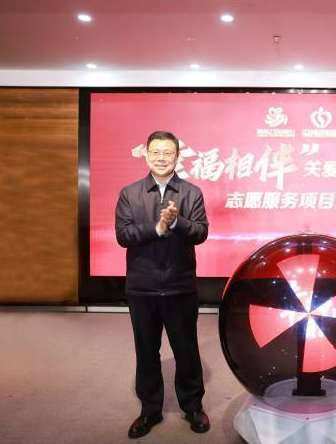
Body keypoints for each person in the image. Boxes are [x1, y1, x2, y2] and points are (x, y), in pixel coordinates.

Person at [115, 131, 210, 439]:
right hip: (141, 287)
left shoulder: (191, 193)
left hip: (180, 286)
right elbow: (123, 236)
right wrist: (157, 227)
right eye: (155, 152)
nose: (161, 158)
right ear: (145, 154)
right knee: (146, 351)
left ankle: (193, 407)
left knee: (186, 350)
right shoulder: (130, 193)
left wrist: (176, 222)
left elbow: (200, 232)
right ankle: (150, 410)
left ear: (177, 157)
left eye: (168, 153)